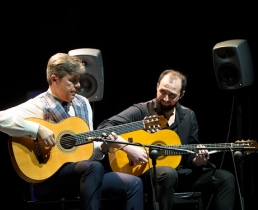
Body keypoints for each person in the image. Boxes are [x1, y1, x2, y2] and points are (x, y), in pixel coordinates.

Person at [0, 53, 144, 210]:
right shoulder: (39, 104)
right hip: (48, 180)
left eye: (78, 80)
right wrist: (37, 129)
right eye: (72, 80)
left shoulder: (83, 103)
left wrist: (103, 148)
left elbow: (87, 151)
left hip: (83, 175)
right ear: (54, 79)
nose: (78, 85)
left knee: (134, 184)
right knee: (93, 168)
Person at [97, 69, 235, 210]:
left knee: (225, 178)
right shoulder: (142, 110)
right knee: (168, 173)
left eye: (172, 95)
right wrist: (128, 147)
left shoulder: (188, 116)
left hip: (182, 174)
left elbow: (191, 148)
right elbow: (104, 127)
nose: (166, 98)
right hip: (148, 172)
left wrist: (196, 160)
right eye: (162, 91)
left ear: (181, 95)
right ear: (157, 86)